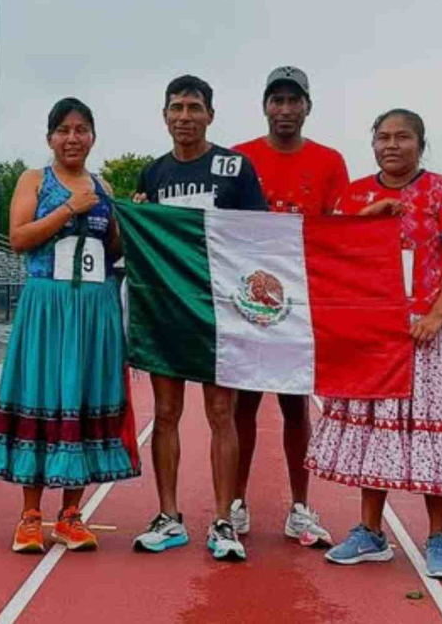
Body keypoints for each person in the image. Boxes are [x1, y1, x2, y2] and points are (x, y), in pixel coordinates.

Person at [305, 108, 442, 580]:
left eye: (403, 137)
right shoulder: (355, 193)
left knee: (432, 431)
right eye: (383, 137)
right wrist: (367, 217)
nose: (392, 145)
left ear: (420, 144)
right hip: (372, 331)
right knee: (372, 431)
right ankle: (370, 531)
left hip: (427, 329)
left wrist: (438, 314)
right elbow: (334, 250)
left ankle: (438, 538)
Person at [0, 97, 138, 553]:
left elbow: (112, 249)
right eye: (64, 130)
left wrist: (130, 222)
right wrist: (69, 208)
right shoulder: (34, 179)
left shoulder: (104, 186)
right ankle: (30, 515)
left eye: (81, 129)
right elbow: (20, 238)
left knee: (84, 397)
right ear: (50, 137)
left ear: (93, 136)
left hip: (95, 307)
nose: (72, 138)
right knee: (42, 394)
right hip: (48, 306)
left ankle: (70, 514)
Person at [130, 75, 268, 561]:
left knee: (221, 413)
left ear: (210, 114)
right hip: (166, 312)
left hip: (219, 312)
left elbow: (258, 236)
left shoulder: (235, 167)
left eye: (194, 107)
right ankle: (168, 516)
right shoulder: (152, 174)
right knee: (165, 413)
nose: (184, 116)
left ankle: (224, 519)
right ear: (164, 115)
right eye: (176, 108)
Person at [230, 65, 348, 546]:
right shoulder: (238, 159)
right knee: (242, 405)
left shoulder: (329, 161)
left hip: (299, 304)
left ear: (307, 107)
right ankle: (234, 503)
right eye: (276, 100)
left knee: (295, 405)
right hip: (246, 300)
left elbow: (342, 230)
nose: (284, 109)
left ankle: (300, 507)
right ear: (265, 106)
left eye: (293, 100)